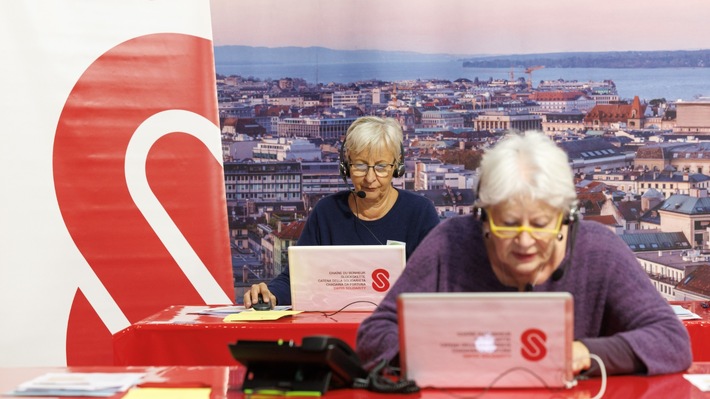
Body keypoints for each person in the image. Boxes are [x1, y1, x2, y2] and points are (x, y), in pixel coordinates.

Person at [356, 130, 692, 377]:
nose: (526, 241)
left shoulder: (598, 249)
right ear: (483, 219)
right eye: (509, 224)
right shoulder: (450, 243)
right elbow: (374, 335)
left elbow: (671, 340)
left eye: (542, 224)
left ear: (566, 218)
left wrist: (582, 354)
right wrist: (444, 353)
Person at [244, 116, 440, 308]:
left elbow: (439, 282)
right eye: (360, 166)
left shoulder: (420, 213)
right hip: (334, 328)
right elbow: (296, 280)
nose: (370, 178)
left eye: (381, 167)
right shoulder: (327, 212)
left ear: (397, 167)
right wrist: (270, 293)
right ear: (345, 167)